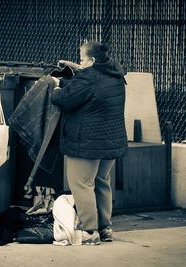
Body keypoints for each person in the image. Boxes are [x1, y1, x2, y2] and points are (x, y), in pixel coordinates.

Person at [50, 41, 128, 245]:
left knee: (82, 184)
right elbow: (89, 93)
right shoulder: (116, 74)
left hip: (86, 142)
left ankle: (89, 231)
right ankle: (105, 228)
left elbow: (66, 99)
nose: (80, 63)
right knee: (102, 181)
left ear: (92, 60)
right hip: (110, 141)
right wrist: (78, 70)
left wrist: (56, 87)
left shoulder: (89, 77)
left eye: (82, 59)